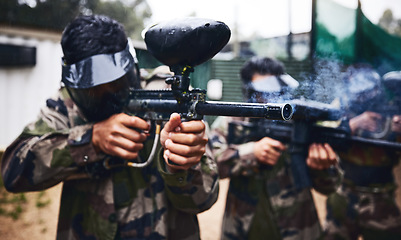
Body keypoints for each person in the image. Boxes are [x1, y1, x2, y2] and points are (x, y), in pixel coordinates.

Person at [0, 15, 218, 240]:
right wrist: (89, 140)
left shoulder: (167, 97)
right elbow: (13, 173)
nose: (108, 96)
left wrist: (181, 164)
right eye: (93, 91)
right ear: (74, 85)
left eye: (117, 85)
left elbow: (203, 200)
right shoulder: (67, 106)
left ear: (131, 68)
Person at [209, 56, 341, 240]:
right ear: (248, 91)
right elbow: (210, 162)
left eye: (277, 89)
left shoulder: (302, 122)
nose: (270, 98)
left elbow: (330, 187)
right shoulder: (232, 121)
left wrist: (323, 168)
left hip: (298, 227)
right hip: (242, 227)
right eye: (263, 91)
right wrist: (251, 152)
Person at [324, 67, 401, 240]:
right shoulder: (341, 109)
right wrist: (353, 124)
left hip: (381, 197)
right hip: (344, 193)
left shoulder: (392, 112)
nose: (362, 98)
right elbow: (323, 137)